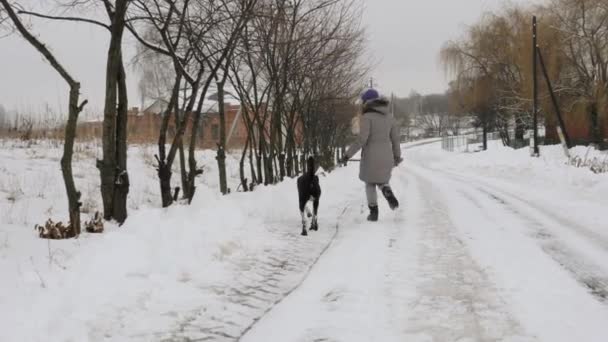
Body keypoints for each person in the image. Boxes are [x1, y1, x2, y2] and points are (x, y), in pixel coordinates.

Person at [342, 88, 402, 222]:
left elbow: (361, 140)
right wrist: (397, 156)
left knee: (370, 183)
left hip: (370, 156)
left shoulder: (366, 117)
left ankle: (374, 213)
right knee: (382, 180)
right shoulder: (390, 117)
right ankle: (386, 189)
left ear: (366, 102)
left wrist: (347, 155)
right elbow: (395, 139)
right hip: (387, 156)